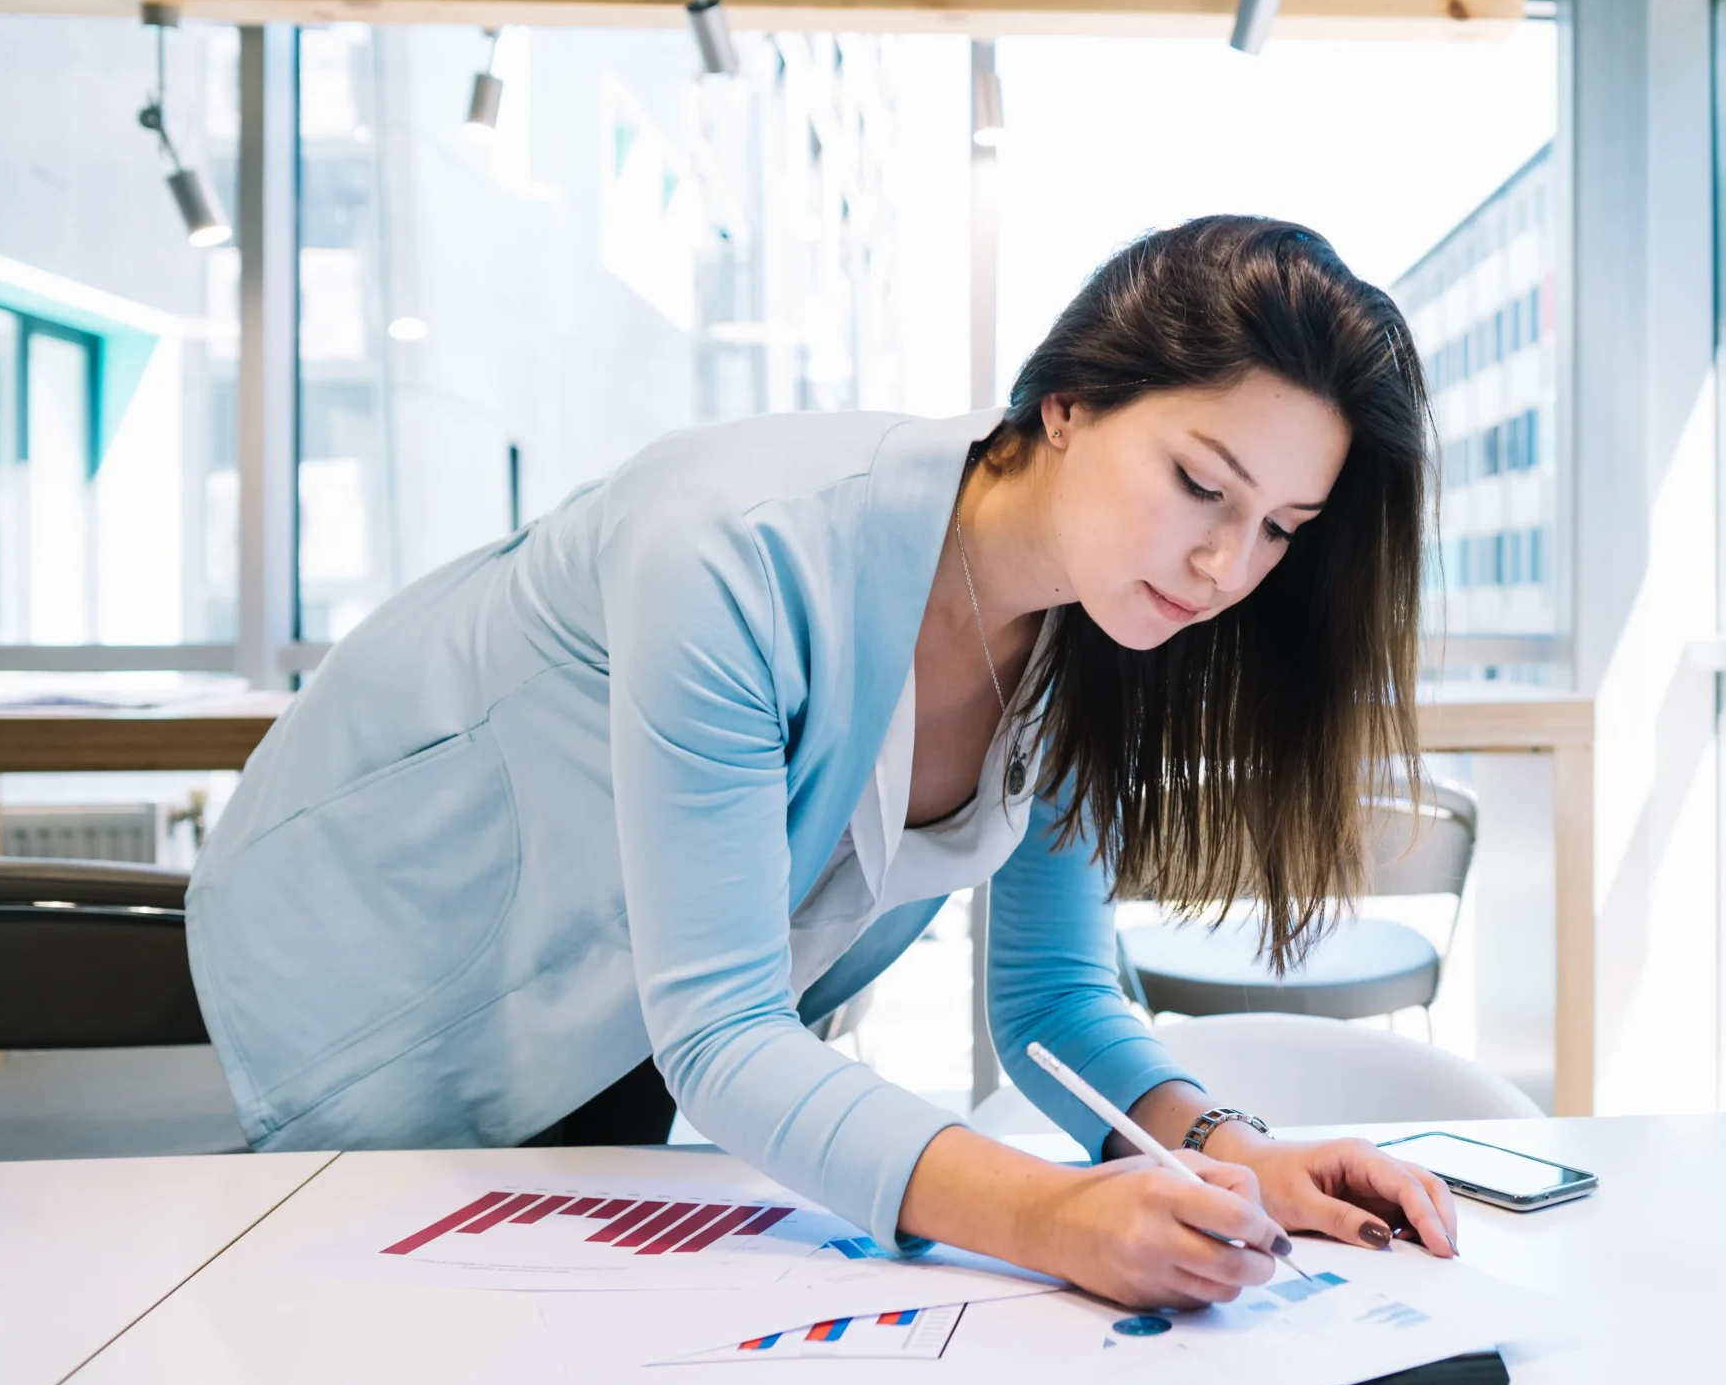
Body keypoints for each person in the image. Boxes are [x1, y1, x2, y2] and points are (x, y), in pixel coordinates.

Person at [186, 215, 1458, 1309]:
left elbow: (1055, 1007)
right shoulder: (733, 548)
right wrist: (1044, 1217)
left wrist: (1226, 1150)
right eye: (1198, 483)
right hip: (379, 986)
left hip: (610, 1039)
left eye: (1279, 528)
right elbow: (727, 1028)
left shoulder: (1107, 626)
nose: (1225, 568)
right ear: (1066, 400)